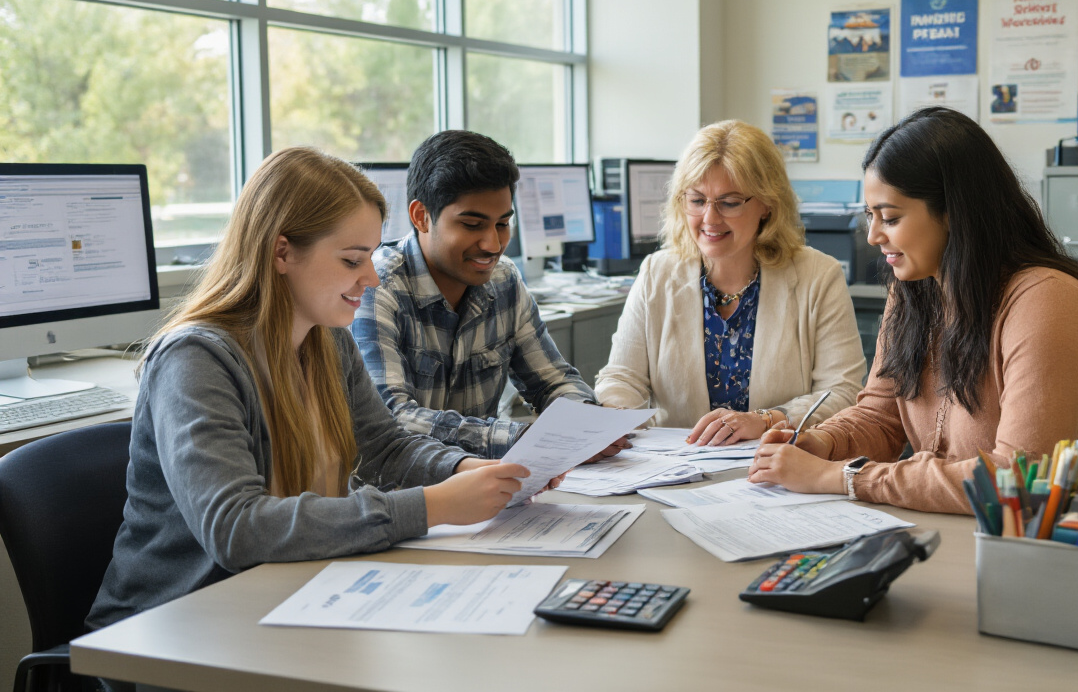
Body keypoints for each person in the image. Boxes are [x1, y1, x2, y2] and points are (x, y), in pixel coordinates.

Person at [88, 148, 536, 630]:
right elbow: (237, 527)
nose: (370, 276)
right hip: (176, 626)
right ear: (282, 252)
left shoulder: (326, 340)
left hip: (289, 596)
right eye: (351, 260)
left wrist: (471, 470)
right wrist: (435, 505)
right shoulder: (195, 360)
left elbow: (385, 448)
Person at [747, 107, 1078, 513]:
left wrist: (842, 477)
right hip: (963, 530)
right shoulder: (913, 293)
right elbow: (880, 419)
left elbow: (1017, 481)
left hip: (1071, 544)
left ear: (954, 212)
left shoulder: (1047, 301)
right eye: (870, 216)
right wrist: (822, 443)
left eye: (891, 217)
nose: (872, 235)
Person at [352, 130, 622, 461]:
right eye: (472, 225)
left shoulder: (504, 279)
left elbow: (552, 381)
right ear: (421, 216)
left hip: (486, 490)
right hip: (402, 498)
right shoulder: (376, 287)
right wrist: (523, 438)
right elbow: (394, 419)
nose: (492, 245)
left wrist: (587, 424)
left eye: (502, 224)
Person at [595, 120, 867, 445]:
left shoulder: (818, 277)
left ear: (767, 204)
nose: (709, 218)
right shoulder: (657, 272)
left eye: (729, 202)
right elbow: (622, 377)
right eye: (697, 200)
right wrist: (615, 417)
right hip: (676, 469)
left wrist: (768, 420)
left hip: (777, 469)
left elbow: (842, 392)